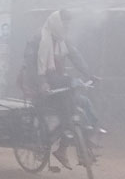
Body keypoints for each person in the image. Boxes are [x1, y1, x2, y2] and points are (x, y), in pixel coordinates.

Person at [20, 9, 100, 168]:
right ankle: (67, 148)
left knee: (84, 104)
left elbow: (76, 58)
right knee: (68, 109)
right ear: (57, 23)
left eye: (68, 24)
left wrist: (90, 75)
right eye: (65, 24)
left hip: (56, 85)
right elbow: (31, 66)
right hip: (39, 86)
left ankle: (75, 145)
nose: (67, 27)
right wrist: (42, 82)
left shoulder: (63, 40)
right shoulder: (38, 39)